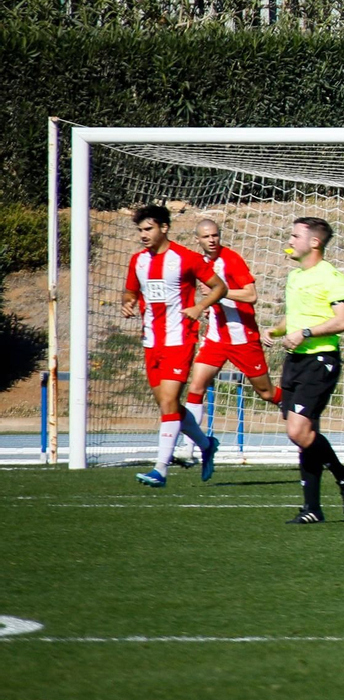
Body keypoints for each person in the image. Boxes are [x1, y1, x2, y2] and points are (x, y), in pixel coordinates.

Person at [121, 204, 228, 488]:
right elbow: (130, 290)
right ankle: (206, 445)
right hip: (151, 341)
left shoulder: (186, 258)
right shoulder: (138, 261)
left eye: (149, 229)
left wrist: (200, 306)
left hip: (179, 339)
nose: (143, 235)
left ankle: (160, 469)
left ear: (164, 228)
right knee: (168, 405)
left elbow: (219, 287)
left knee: (168, 402)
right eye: (140, 230)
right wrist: (127, 302)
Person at [274, 217, 344, 524]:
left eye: (296, 235)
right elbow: (295, 318)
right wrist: (274, 331)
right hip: (295, 361)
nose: (290, 240)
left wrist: (307, 333)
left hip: (320, 361)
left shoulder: (331, 277)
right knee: (305, 435)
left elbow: (343, 320)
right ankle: (312, 508)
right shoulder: (296, 276)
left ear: (314, 242)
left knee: (298, 430)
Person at [180, 219, 281, 459]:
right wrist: (208, 307)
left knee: (266, 393)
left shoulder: (231, 260)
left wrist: (221, 292)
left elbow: (251, 294)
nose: (212, 240)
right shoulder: (201, 263)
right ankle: (189, 449)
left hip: (243, 338)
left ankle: (300, 409)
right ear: (198, 240)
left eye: (215, 235)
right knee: (196, 387)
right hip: (216, 338)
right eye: (206, 237)